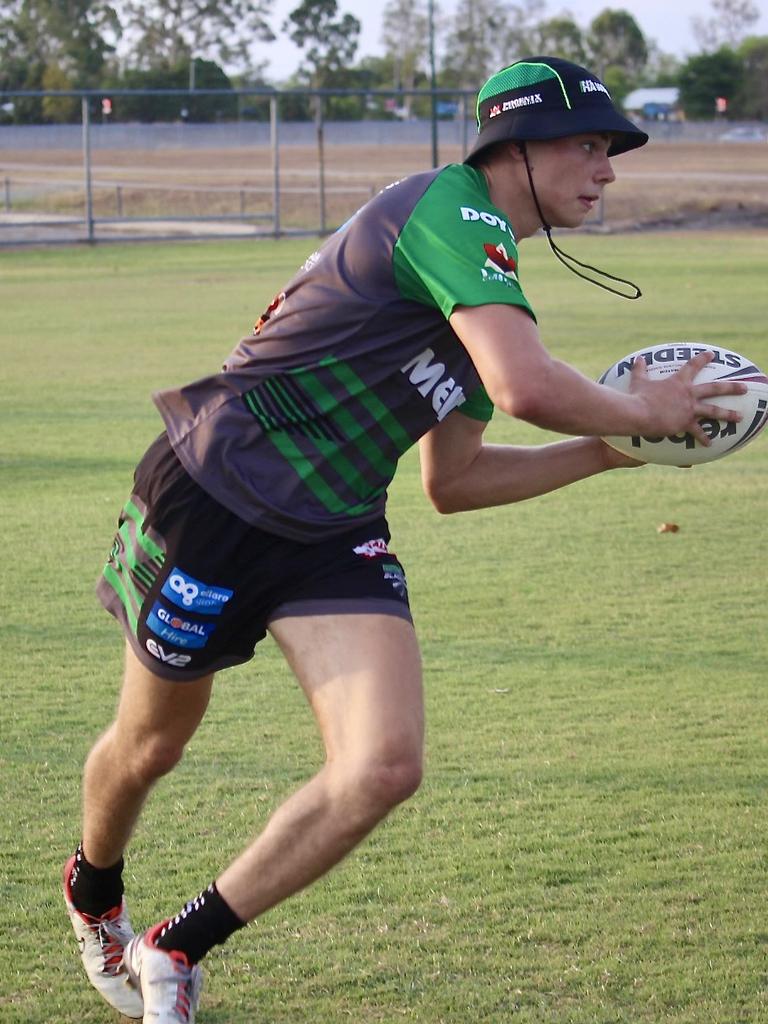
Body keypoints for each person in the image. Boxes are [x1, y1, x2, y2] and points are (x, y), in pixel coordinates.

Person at [63, 56, 746, 1024]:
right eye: (587, 145)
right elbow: (525, 386)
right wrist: (648, 407)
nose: (607, 169)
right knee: (150, 745)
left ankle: (174, 948)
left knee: (383, 764)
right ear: (515, 148)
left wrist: (614, 449)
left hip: (333, 524)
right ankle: (93, 893)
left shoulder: (490, 286)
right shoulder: (450, 209)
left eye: (610, 150)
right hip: (217, 491)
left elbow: (454, 481)